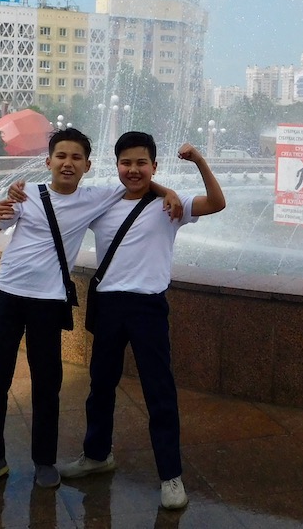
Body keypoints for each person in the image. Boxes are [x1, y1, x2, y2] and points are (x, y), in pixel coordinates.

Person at [0, 127, 179, 490]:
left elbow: (138, 182)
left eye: (76, 158)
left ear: (87, 165)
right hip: (7, 295)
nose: (68, 163)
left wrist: (170, 191)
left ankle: (44, 461)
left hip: (49, 303)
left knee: (47, 384)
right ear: (49, 161)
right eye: (61, 156)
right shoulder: (26, 197)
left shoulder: (95, 197)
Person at [55, 131, 225, 510]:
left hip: (148, 308)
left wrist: (197, 160)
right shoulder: (105, 202)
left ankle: (171, 475)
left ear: (154, 166)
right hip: (110, 305)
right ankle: (97, 455)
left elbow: (217, 202)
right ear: (116, 166)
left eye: (141, 163)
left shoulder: (172, 207)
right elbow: (62, 195)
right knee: (100, 385)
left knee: (159, 392)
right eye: (126, 163)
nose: (133, 170)